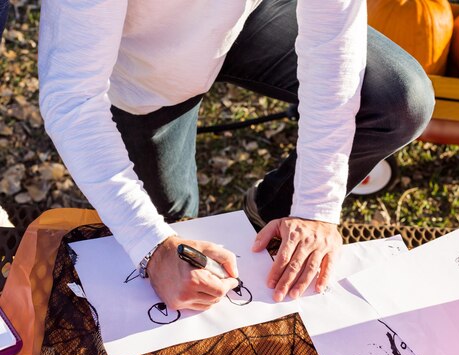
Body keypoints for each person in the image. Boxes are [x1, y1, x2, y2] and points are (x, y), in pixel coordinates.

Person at [38, 0, 434, 310]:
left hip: (250, 16)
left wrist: (315, 206)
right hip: (143, 62)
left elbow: (335, 47)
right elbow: (73, 101)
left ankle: (266, 213)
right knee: (177, 226)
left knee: (397, 99)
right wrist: (151, 243)